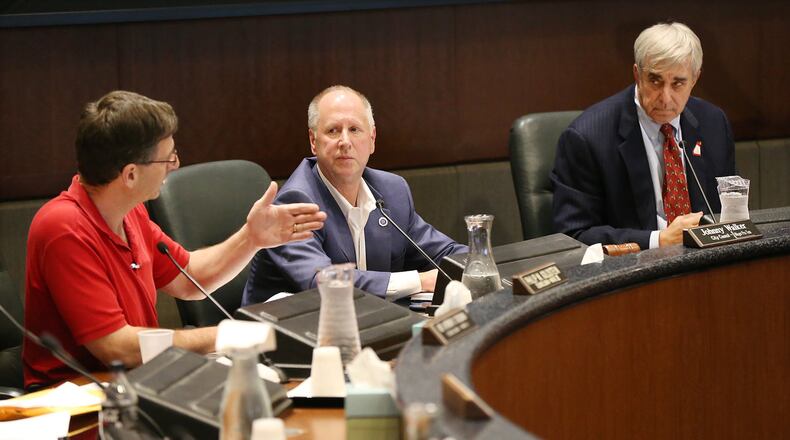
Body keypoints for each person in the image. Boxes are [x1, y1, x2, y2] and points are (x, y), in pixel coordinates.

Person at [23, 91, 326, 388]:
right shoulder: (63, 228)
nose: (175, 165)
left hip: (139, 384)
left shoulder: (131, 214)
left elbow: (189, 278)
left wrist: (251, 238)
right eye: (167, 159)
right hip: (75, 405)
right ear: (130, 175)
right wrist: (226, 336)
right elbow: (118, 347)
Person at [242, 85, 467, 304]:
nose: (345, 142)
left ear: (372, 139)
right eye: (333, 130)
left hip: (362, 323)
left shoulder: (392, 190)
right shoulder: (296, 200)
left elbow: (444, 252)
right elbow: (322, 281)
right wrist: (418, 280)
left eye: (355, 130)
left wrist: (479, 262)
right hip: (280, 333)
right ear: (313, 141)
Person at [551, 22, 736, 249]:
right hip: (632, 272)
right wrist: (658, 241)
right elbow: (573, 234)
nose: (666, 98)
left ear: (695, 78)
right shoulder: (586, 138)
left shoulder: (713, 124)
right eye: (655, 81)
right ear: (637, 74)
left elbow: (726, 212)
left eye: (678, 83)